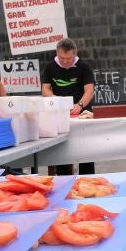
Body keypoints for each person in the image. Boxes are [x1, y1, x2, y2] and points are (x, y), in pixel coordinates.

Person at [42, 38, 95, 174]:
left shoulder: (84, 67)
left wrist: (80, 105)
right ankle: (63, 177)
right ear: (57, 53)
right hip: (60, 113)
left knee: (86, 148)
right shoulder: (50, 67)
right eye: (62, 58)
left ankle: (87, 177)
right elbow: (45, 89)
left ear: (75, 54)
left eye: (69, 58)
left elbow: (89, 90)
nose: (65, 61)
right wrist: (57, 101)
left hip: (82, 112)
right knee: (62, 148)